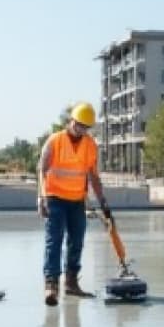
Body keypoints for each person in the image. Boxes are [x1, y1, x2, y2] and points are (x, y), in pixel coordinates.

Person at [36, 102, 110, 306]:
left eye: (86, 127)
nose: (81, 130)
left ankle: (71, 282)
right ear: (71, 121)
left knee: (76, 242)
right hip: (55, 199)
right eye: (79, 125)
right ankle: (51, 285)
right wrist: (41, 198)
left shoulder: (90, 145)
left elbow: (93, 176)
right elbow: (42, 170)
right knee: (54, 241)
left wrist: (101, 199)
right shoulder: (55, 141)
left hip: (77, 200)